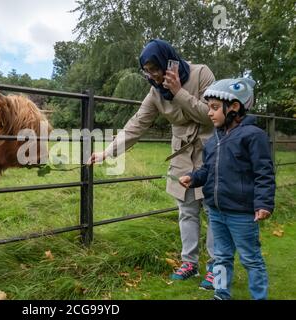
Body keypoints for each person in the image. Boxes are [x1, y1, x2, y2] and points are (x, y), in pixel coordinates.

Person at [88, 39, 216, 289]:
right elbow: (136, 124)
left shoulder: (202, 74)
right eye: (147, 70)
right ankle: (189, 263)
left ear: (169, 61)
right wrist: (107, 152)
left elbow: (210, 117)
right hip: (181, 156)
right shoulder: (155, 92)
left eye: (155, 68)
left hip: (209, 153)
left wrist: (179, 91)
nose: (153, 76)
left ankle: (216, 266)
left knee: (213, 212)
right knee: (187, 211)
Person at [179, 77, 275, 300]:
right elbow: (208, 171)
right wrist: (193, 178)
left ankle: (259, 296)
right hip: (216, 212)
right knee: (221, 257)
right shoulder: (214, 140)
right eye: (209, 108)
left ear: (233, 107)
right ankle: (221, 295)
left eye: (214, 108)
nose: (210, 113)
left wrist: (263, 203)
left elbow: (264, 173)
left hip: (242, 214)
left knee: (251, 258)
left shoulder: (253, 136)